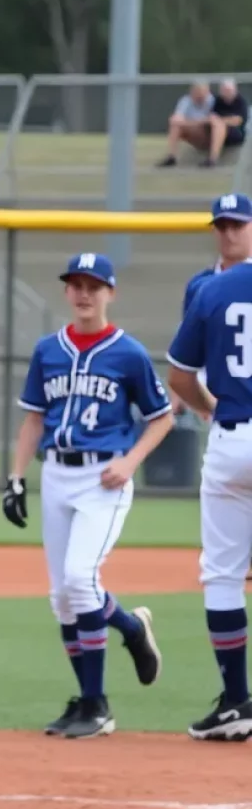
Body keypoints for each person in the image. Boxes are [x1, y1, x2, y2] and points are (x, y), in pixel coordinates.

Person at [2, 252, 173, 739]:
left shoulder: (129, 352)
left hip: (104, 478)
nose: (83, 293)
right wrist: (16, 479)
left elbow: (161, 417)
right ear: (66, 292)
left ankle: (126, 645)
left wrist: (131, 460)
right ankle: (90, 701)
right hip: (56, 473)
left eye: (94, 285)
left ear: (110, 293)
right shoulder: (47, 350)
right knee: (62, 598)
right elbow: (34, 418)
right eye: (75, 284)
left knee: (80, 580)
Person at [167, 212, 252, 741]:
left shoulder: (214, 289)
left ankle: (237, 702)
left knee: (223, 574)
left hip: (232, 438)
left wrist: (207, 407)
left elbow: (179, 375)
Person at [173, 193, 252, 583]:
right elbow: (185, 354)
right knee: (225, 476)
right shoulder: (201, 285)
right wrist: (189, 399)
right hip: (211, 386)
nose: (229, 233)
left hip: (239, 391)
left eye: (237, 224)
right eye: (222, 226)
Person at [156, 79, 215, 167]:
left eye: (203, 91)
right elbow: (175, 119)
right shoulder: (186, 100)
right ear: (192, 91)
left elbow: (213, 120)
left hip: (207, 134)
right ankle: (171, 157)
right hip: (193, 131)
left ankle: (212, 158)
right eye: (198, 91)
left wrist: (189, 122)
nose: (200, 94)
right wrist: (196, 123)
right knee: (175, 126)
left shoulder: (213, 101)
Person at [203, 79, 248, 168]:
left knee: (219, 125)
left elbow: (238, 121)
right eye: (224, 90)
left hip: (236, 133)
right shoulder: (217, 101)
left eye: (229, 90)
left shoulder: (240, 102)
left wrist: (220, 121)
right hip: (216, 130)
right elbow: (211, 116)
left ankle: (213, 158)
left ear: (235, 90)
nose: (227, 93)